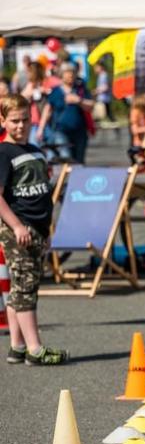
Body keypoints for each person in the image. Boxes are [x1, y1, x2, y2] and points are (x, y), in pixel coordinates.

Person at [0, 95, 69, 365]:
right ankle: (35, 349)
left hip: (37, 229)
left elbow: (42, 194)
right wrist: (17, 226)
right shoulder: (4, 153)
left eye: (25, 120)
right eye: (14, 121)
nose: (21, 126)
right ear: (3, 121)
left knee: (22, 286)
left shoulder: (35, 151)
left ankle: (17, 346)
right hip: (18, 229)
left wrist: (46, 229)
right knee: (25, 288)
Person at [38, 62, 93, 164]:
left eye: (72, 72)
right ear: (61, 75)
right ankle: (67, 173)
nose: (70, 75)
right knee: (66, 157)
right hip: (61, 130)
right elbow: (48, 110)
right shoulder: (56, 91)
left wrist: (79, 100)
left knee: (79, 160)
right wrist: (41, 129)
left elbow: (91, 106)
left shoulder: (80, 90)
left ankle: (77, 174)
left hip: (80, 132)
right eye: (67, 73)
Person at [19, 62, 47, 146]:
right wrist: (35, 92)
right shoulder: (31, 85)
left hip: (40, 121)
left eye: (29, 71)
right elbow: (21, 97)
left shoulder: (43, 84)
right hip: (35, 122)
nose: (27, 73)